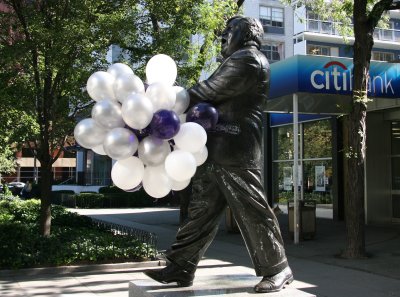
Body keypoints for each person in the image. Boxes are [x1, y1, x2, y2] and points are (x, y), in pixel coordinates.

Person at [144, 16, 293, 293]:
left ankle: (278, 268)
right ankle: (180, 266)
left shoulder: (248, 59)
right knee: (201, 211)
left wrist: (162, 102)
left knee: (252, 210)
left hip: (237, 150)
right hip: (217, 149)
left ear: (246, 34)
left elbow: (207, 92)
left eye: (229, 31)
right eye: (223, 32)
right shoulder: (237, 59)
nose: (223, 37)